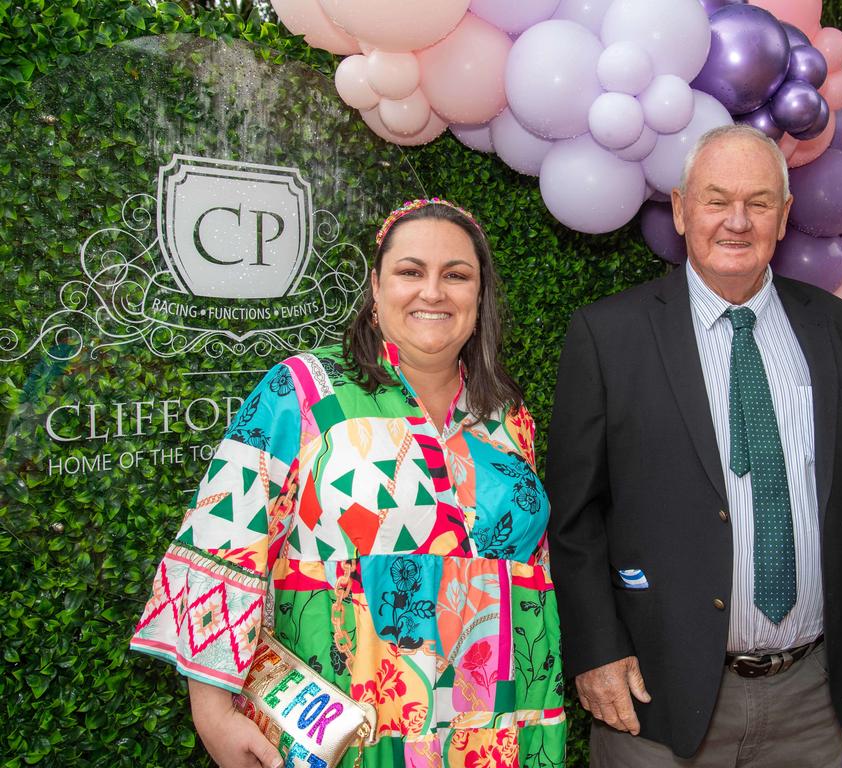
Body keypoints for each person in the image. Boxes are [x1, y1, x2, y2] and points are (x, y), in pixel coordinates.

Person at [132, 198, 565, 768]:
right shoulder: (305, 392)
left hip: (505, 723)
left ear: (479, 296)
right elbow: (221, 542)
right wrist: (211, 712)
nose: (432, 292)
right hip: (350, 726)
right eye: (411, 271)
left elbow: (537, 568)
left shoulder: (509, 416)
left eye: (456, 275)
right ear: (376, 286)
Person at [545, 125, 842, 767]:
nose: (736, 221)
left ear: (784, 216)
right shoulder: (608, 336)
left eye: (757, 202)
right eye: (716, 199)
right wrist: (596, 650)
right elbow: (575, 517)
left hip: (809, 699)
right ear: (681, 207)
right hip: (654, 697)